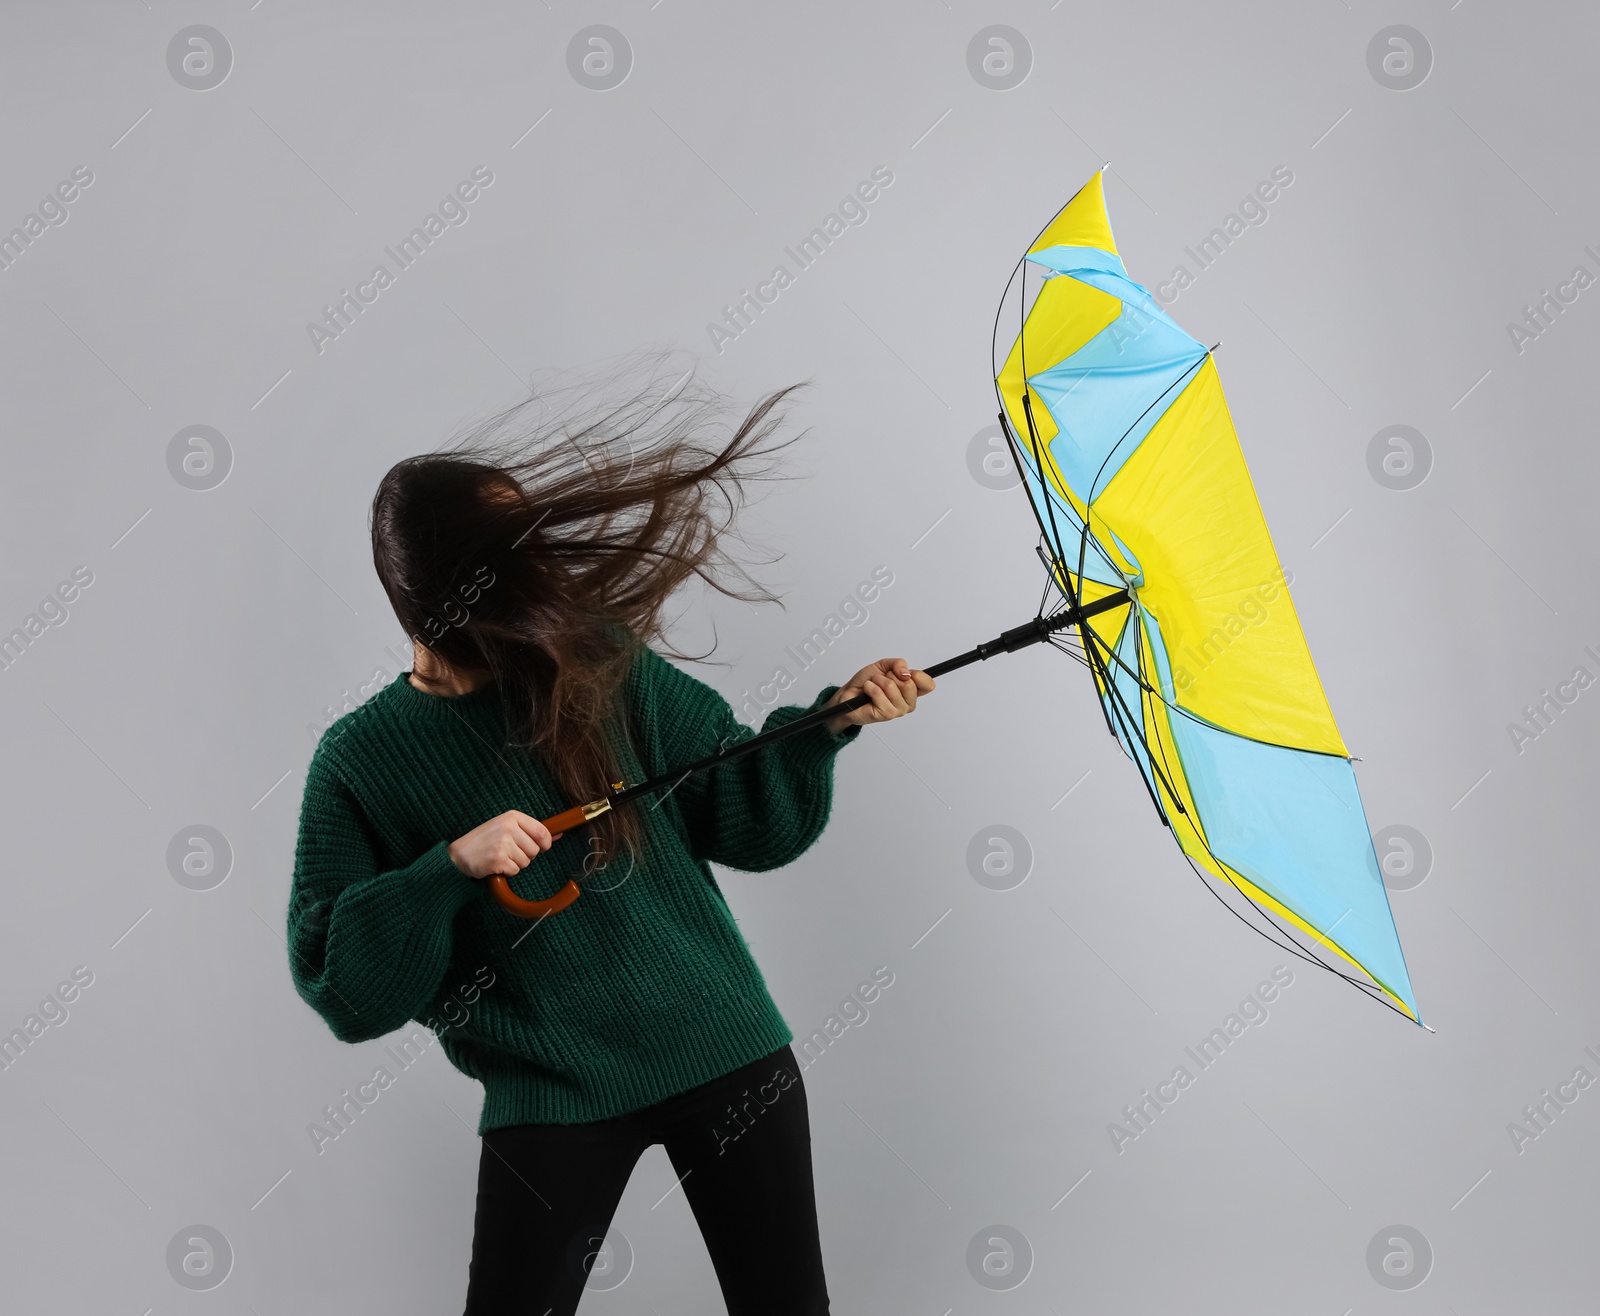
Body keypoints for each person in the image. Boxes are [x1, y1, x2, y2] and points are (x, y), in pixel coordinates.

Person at [285, 360, 934, 1315]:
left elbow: (742, 817)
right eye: (507, 553)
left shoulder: (595, 663)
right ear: (437, 590)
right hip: (552, 1092)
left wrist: (827, 725)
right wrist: (447, 870)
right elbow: (344, 990)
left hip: (724, 1050)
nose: (539, 569)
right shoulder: (360, 760)